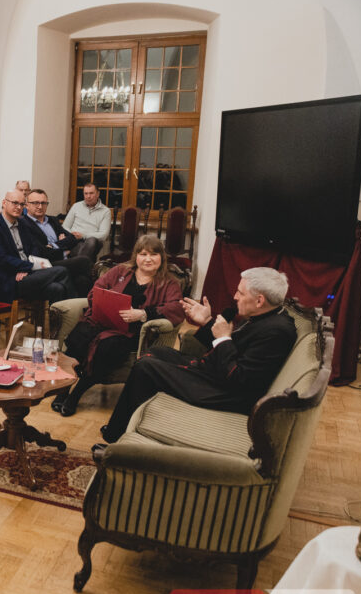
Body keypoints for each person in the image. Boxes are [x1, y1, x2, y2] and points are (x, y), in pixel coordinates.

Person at [99, 267, 297, 445]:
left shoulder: (276, 332)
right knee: (158, 352)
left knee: (146, 368)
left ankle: (115, 437)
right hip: (217, 374)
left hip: (224, 393)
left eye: (240, 292)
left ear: (260, 300)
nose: (235, 297)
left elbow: (239, 377)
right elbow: (232, 349)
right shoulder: (265, 316)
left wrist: (223, 339)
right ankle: (131, 429)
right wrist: (207, 321)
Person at [50, 235, 183, 417]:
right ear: (136, 256)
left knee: (107, 348)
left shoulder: (169, 282)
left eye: (154, 254)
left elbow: (176, 307)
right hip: (101, 321)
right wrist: (106, 302)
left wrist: (143, 314)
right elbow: (96, 290)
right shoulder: (120, 271)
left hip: (129, 332)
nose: (148, 259)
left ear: (162, 257)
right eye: (143, 254)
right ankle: (64, 389)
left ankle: (77, 393)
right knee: (79, 336)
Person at [0, 190, 72, 304]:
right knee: (62, 271)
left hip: (27, 274)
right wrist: (28, 267)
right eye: (15, 203)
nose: (19, 207)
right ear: (4, 203)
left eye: (22, 204)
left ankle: (62, 315)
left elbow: (34, 248)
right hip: (9, 279)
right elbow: (2, 259)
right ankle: (75, 312)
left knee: (57, 288)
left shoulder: (22, 224)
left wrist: (26, 268)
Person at [23, 188, 93, 296]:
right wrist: (63, 249)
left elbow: (72, 238)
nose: (40, 206)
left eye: (43, 203)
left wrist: (54, 245)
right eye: (35, 203)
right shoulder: (24, 224)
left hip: (61, 260)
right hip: (45, 264)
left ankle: (85, 305)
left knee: (82, 280)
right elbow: (41, 252)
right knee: (84, 261)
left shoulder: (52, 220)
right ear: (27, 205)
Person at [63, 183, 111, 261]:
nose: (88, 196)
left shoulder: (105, 211)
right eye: (86, 193)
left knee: (91, 241)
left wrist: (83, 236)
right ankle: (83, 265)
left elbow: (103, 235)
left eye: (91, 193)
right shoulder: (76, 206)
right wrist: (72, 235)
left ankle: (76, 263)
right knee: (80, 247)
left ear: (98, 194)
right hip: (74, 240)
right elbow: (65, 226)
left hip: (93, 242)